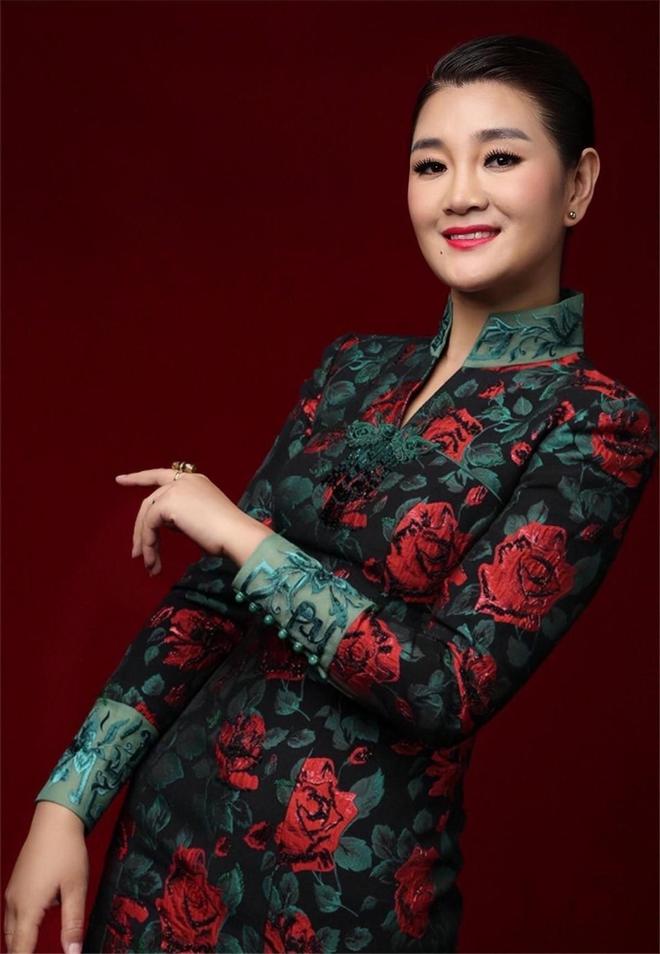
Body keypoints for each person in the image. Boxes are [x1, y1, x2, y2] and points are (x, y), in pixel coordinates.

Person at [5, 32, 658, 954]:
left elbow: (446, 684)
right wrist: (67, 801)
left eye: (500, 158)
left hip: (340, 905)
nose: (459, 193)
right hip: (161, 859)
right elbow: (208, 606)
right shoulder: (351, 369)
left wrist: (240, 533)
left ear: (579, 185)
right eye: (430, 164)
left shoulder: (593, 423)